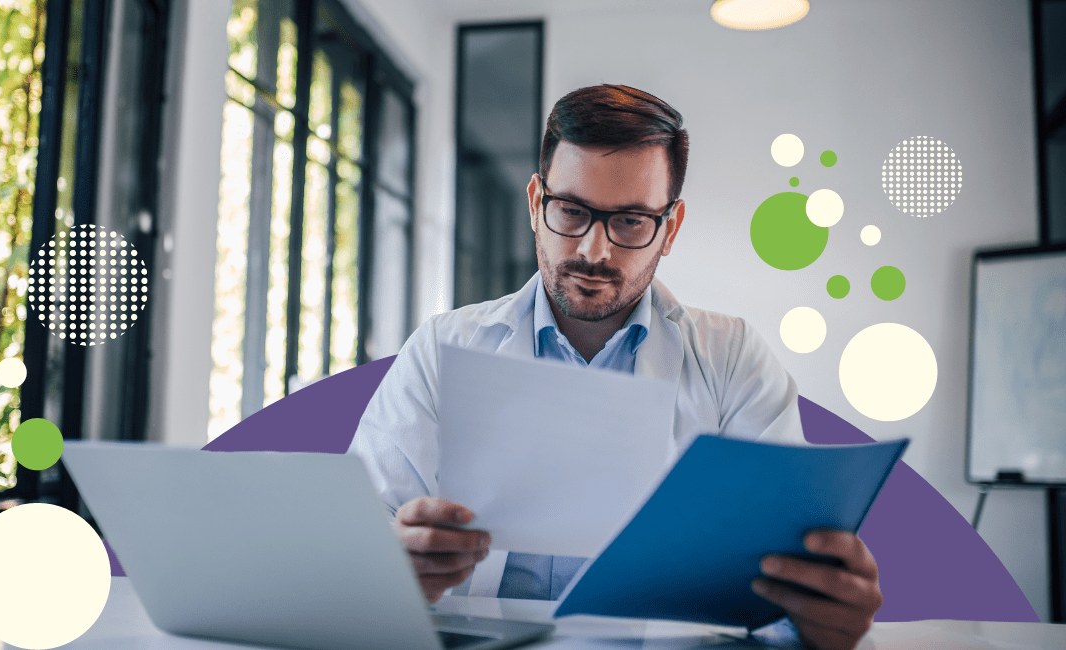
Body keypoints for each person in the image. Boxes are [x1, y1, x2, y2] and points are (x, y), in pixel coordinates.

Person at [347, 84, 882, 650]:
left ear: (668, 229)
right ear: (536, 204)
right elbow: (356, 538)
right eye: (572, 212)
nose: (594, 251)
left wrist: (815, 615)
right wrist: (390, 561)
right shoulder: (441, 348)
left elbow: (777, 577)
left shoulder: (733, 361)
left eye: (629, 221)